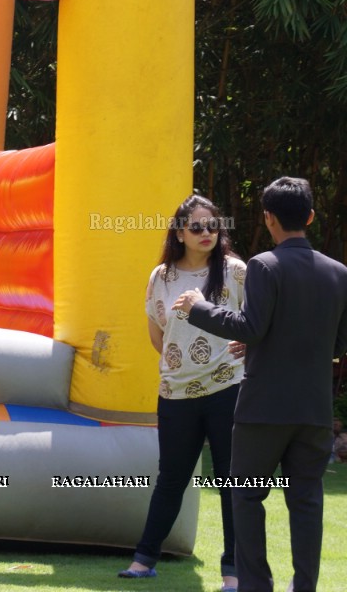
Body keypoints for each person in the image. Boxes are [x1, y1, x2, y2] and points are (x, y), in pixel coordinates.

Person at [177, 177, 347, 592]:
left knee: (247, 497)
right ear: (309, 216)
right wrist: (259, 344)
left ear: (268, 218)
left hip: (263, 410)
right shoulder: (339, 272)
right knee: (306, 501)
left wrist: (199, 308)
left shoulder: (264, 265)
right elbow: (338, 342)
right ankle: (304, 585)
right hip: (314, 410)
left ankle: (256, 586)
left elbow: (251, 327)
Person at [119, 195, 245, 591]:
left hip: (229, 388)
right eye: (197, 227)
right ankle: (143, 560)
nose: (207, 233)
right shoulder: (161, 276)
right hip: (175, 394)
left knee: (232, 481)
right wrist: (182, 363)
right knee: (171, 478)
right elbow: (158, 335)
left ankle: (233, 572)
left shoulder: (237, 272)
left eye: (213, 226)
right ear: (179, 233)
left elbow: (257, 324)